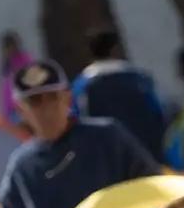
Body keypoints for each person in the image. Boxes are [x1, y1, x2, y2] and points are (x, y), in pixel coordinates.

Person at [0, 60, 162, 208]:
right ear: (21, 110)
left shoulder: (108, 137)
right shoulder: (22, 168)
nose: (46, 109)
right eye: (35, 101)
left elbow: (153, 188)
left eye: (52, 97)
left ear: (67, 97)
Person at [71, 30, 166, 161]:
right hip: (146, 156)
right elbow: (158, 115)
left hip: (106, 161)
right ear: (115, 49)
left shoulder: (82, 87)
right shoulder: (139, 80)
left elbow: (75, 123)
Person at [0, 31, 33, 124]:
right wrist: (5, 111)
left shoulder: (24, 59)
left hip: (25, 106)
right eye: (6, 48)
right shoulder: (6, 65)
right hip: (12, 110)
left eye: (10, 46)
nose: (8, 50)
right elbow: (5, 90)